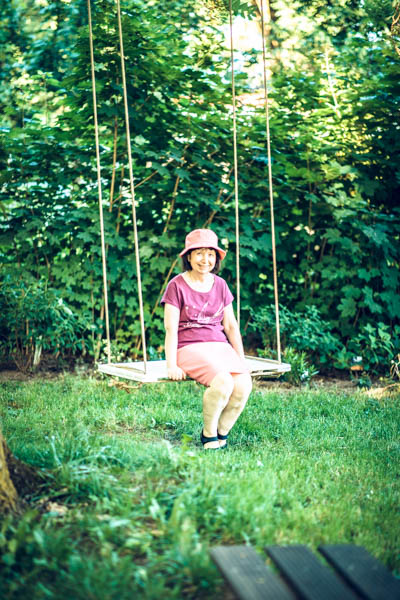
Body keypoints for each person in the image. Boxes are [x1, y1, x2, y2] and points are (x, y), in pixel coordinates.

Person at [161, 228, 252, 450]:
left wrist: (241, 360)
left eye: (210, 254)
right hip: (189, 347)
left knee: (243, 385)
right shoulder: (176, 285)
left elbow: (230, 326)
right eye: (199, 253)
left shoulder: (220, 285)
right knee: (223, 382)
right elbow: (171, 329)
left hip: (219, 346)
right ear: (188, 257)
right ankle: (209, 434)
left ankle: (222, 432)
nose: (205, 259)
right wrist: (171, 365)